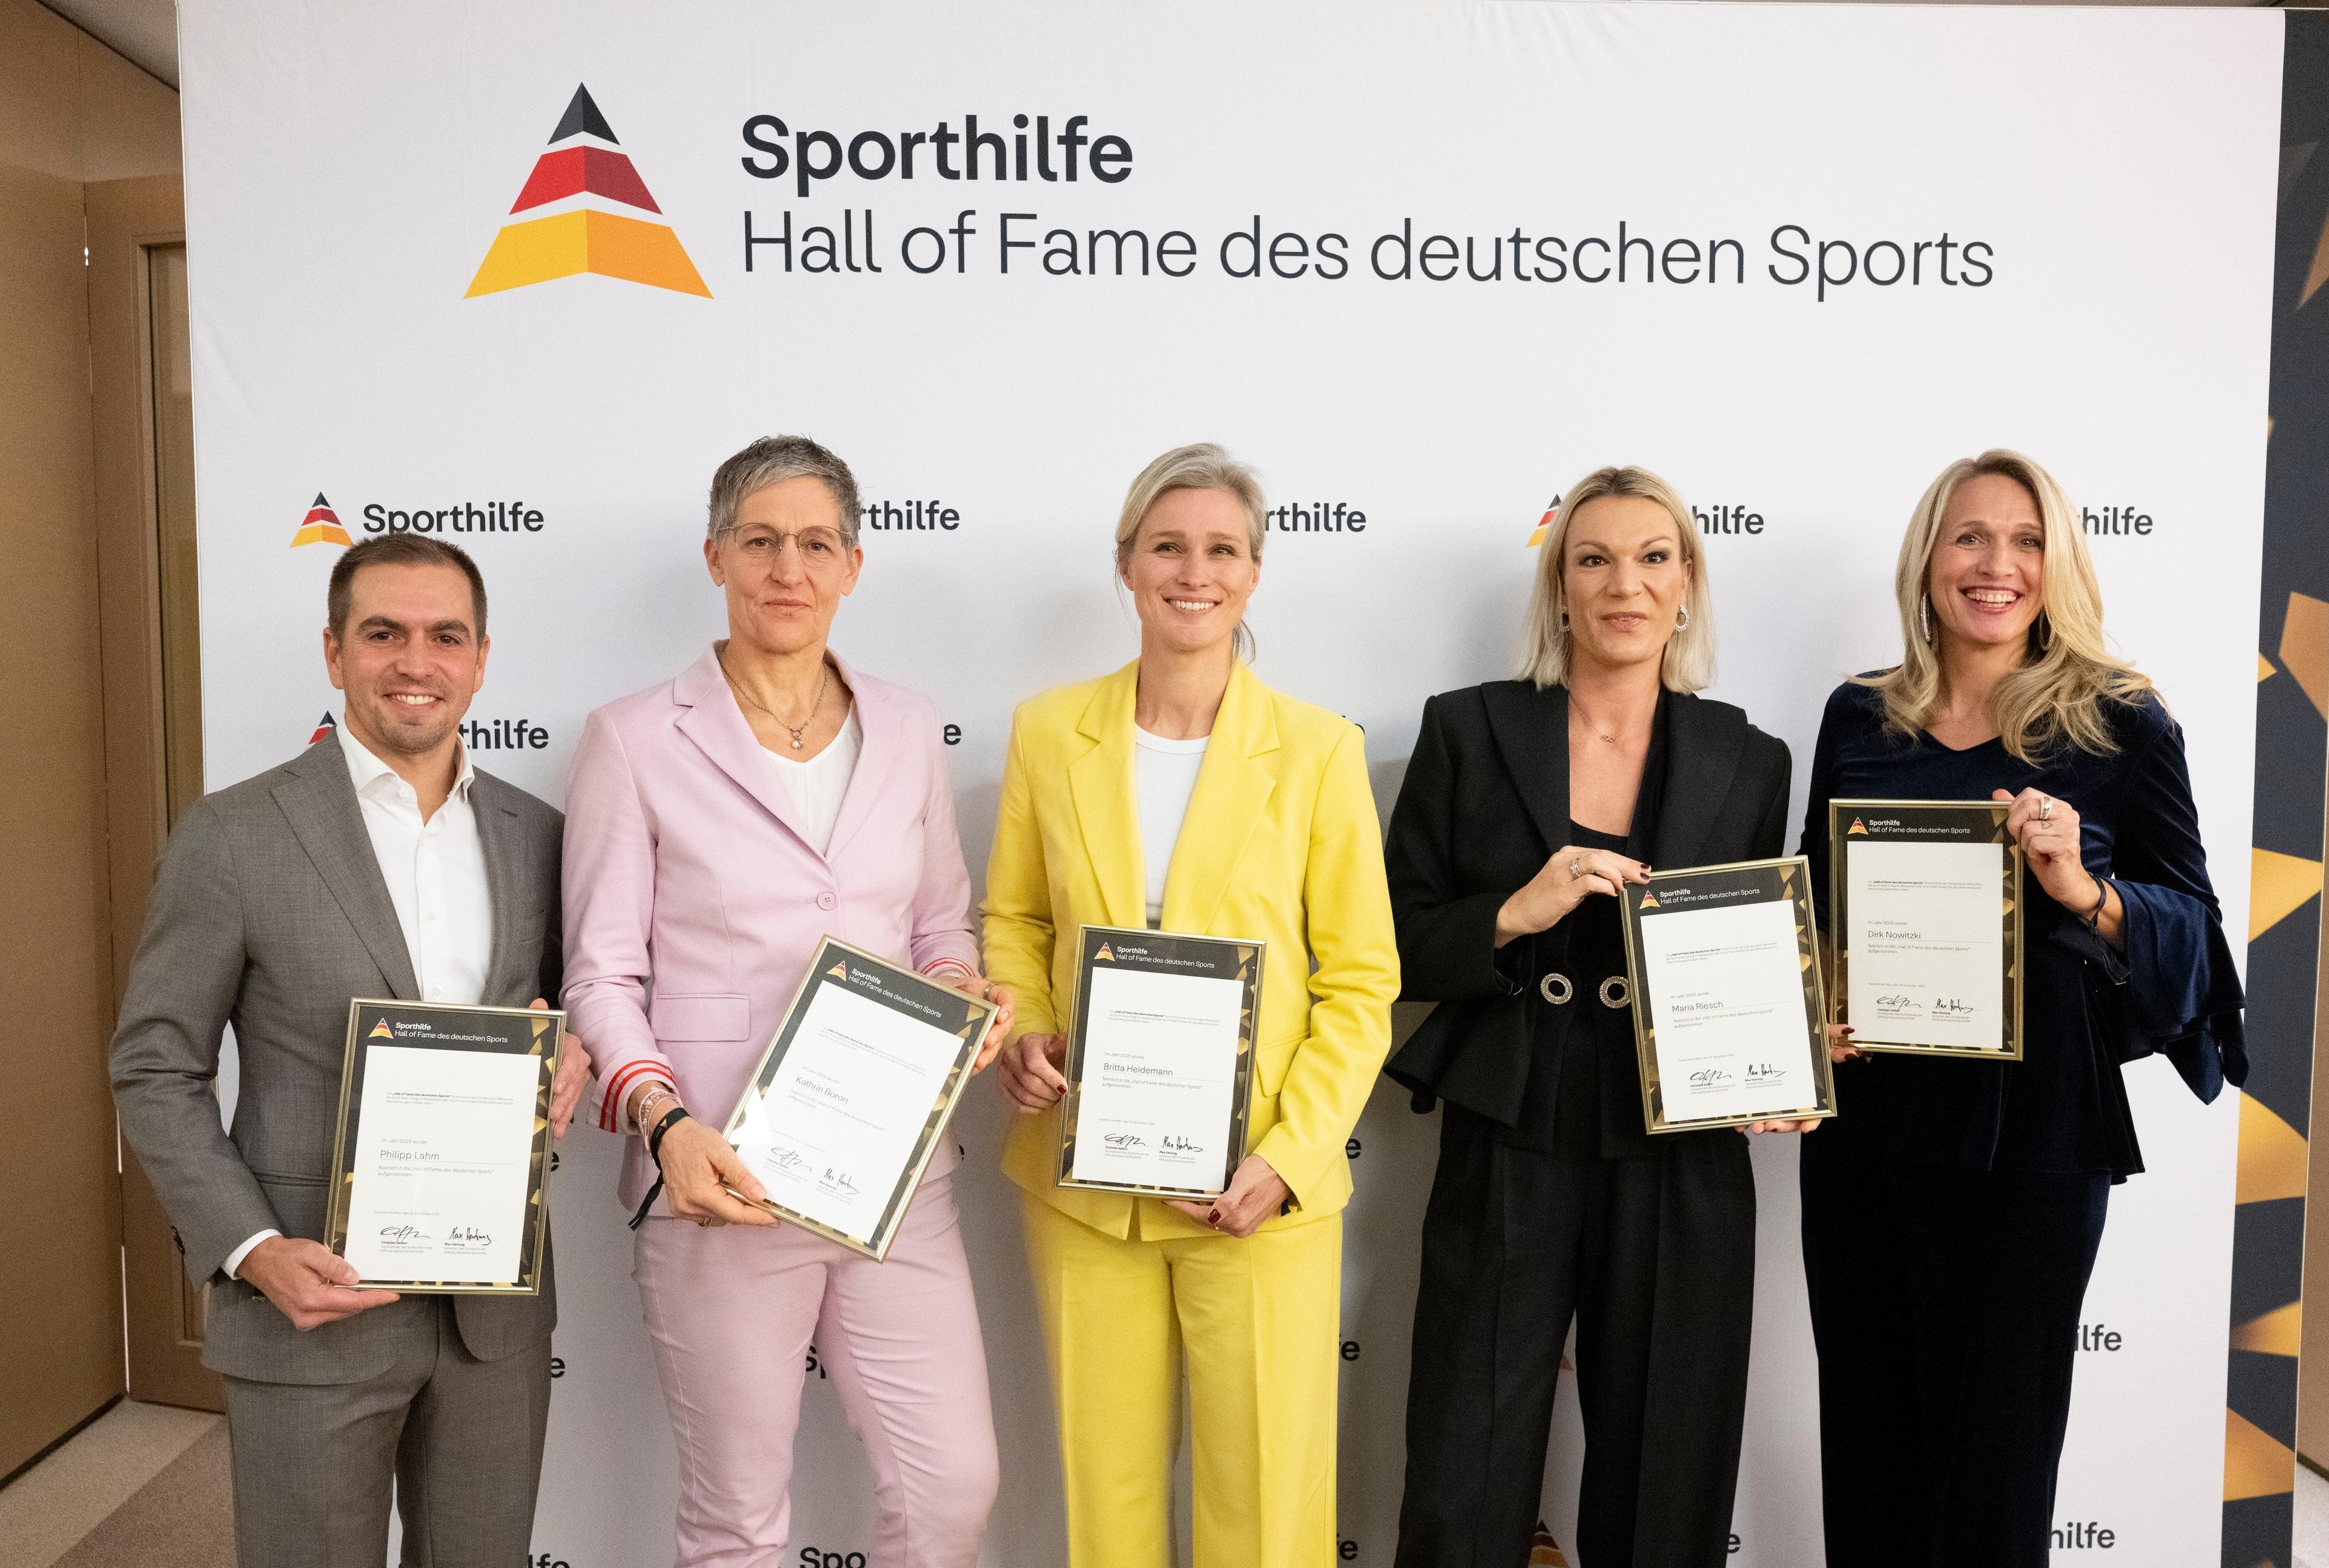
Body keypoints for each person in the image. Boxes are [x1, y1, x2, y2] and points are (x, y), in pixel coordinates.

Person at [562, 435, 1012, 1568]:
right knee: (738, 1519)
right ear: (716, 556)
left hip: (894, 1170)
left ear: (854, 565)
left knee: (954, 1483)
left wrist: (963, 994)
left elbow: (939, 929)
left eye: (815, 543)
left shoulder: (909, 726)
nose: (787, 567)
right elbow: (601, 974)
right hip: (720, 1178)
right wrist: (665, 1124)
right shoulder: (632, 737)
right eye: (760, 541)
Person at [1796, 449, 2245, 1568]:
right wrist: (1806, 1026)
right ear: (1929, 560)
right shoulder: (1858, 718)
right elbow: (1812, 916)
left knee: (1995, 1463)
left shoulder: (2121, 724)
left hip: (2035, 1138)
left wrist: (2086, 892)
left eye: (2027, 539)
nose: (1997, 564)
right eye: (1970, 537)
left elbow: (2196, 933)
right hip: (1867, 1134)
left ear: (2059, 566)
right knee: (1869, 1442)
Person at [109, 534, 590, 1568]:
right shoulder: (233, 834)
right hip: (307, 1297)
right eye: (384, 633)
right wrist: (248, 1249)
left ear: (481, 657)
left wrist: (572, 1062)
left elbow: (566, 1016)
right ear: (334, 653)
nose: (415, 661)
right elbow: (155, 1064)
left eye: (443, 636)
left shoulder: (539, 835)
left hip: (491, 1322)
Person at [984, 442, 1399, 1568]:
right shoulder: (1045, 729)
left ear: (1255, 573)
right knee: (1104, 1504)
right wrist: (1021, 1025)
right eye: (1167, 545)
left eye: (1222, 548)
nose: (1193, 570)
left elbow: (1362, 982)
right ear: (1126, 564)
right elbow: (1014, 920)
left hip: (1258, 1186)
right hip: (1084, 1184)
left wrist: (1291, 1155)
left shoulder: (1319, 752)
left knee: (1266, 1511)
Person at [1383, 464, 1800, 1568]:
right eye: (1595, 558)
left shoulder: (1751, 759)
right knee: (1466, 1461)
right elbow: (1393, 936)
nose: (1627, 583)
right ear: (1560, 585)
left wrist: (1789, 1058)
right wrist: (1514, 913)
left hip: (1684, 1142)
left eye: (1654, 557)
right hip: (1509, 1121)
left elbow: (1762, 950)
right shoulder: (1467, 729)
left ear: (1688, 583)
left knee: (1671, 1468)